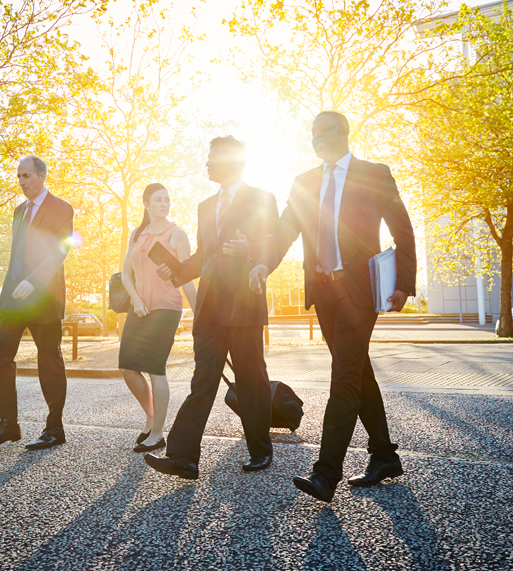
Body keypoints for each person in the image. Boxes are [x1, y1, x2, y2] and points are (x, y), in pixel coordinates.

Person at [250, 111, 416, 502]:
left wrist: (404, 284)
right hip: (324, 292)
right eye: (312, 134)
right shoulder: (304, 181)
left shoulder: (374, 173)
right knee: (356, 373)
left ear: (344, 133)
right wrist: (264, 262)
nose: (317, 139)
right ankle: (384, 455)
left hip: (360, 291)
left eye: (324, 132)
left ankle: (326, 474)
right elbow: (287, 227)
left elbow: (402, 227)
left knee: (342, 378)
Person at [144, 136, 278, 480]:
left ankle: (261, 449)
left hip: (245, 303)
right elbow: (204, 256)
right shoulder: (205, 205)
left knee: (251, 378)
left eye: (212, 158)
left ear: (233, 162)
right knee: (202, 380)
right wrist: (174, 270)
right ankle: (183, 457)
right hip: (209, 308)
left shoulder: (262, 199)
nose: (206, 163)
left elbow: (273, 244)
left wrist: (250, 249)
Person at [0, 155, 75, 452]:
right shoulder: (19, 211)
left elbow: (60, 250)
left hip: (43, 294)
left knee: (49, 361)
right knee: (0, 355)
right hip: (13, 298)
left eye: (27, 176)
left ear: (43, 176)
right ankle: (8, 424)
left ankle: (54, 428)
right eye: (19, 176)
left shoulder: (62, 208)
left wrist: (35, 280)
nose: (21, 181)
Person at [118, 183, 197, 453]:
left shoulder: (177, 235)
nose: (164, 204)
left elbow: (186, 279)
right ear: (146, 204)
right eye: (158, 200)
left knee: (155, 368)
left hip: (166, 309)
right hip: (139, 308)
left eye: (167, 199)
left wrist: (199, 313)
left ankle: (158, 433)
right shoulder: (137, 234)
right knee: (128, 367)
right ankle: (151, 418)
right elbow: (125, 274)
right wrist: (135, 299)